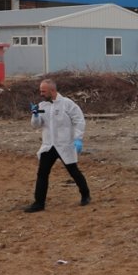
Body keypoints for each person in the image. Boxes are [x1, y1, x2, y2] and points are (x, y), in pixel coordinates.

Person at [24, 78, 90, 212]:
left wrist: (78, 138)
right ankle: (39, 203)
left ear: (52, 90)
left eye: (44, 91)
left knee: (73, 171)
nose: (41, 94)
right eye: (40, 91)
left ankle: (85, 195)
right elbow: (36, 125)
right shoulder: (42, 106)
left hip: (65, 145)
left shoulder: (67, 104)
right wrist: (35, 115)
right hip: (49, 145)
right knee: (42, 173)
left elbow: (79, 120)